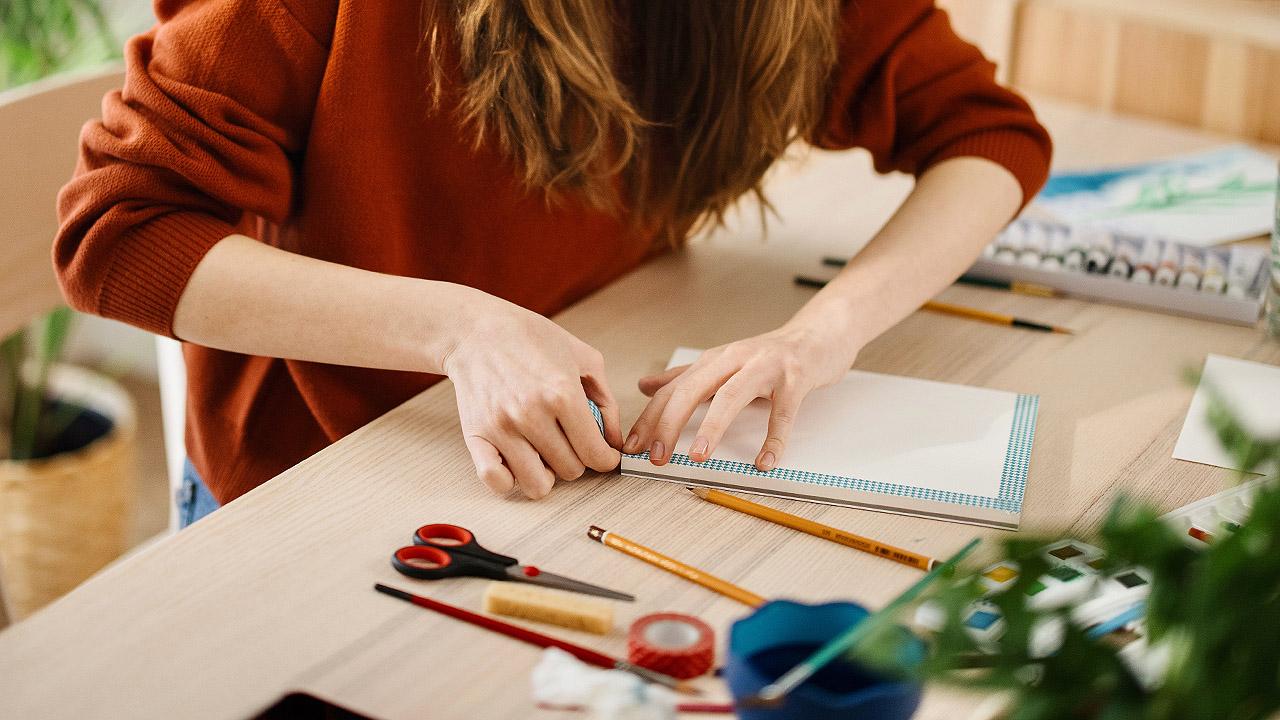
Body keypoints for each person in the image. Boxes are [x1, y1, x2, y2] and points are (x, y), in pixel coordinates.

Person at [55, 0, 1051, 526]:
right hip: (312, 477)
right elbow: (114, 238)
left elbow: (988, 136)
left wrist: (817, 336)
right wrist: (460, 327)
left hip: (584, 459)